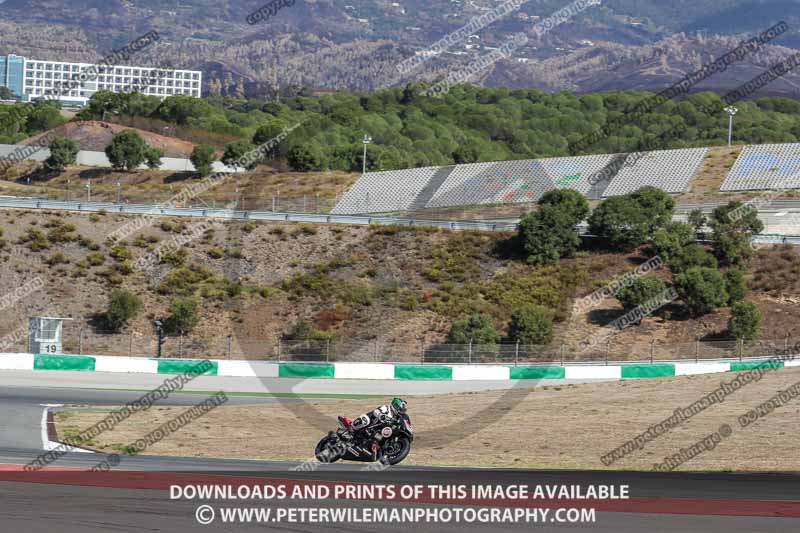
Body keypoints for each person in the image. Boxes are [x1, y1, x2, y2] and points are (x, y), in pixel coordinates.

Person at [338, 398, 408, 460]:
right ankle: (351, 428)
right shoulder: (386, 408)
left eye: (402, 409)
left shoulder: (395, 417)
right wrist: (383, 416)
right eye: (400, 408)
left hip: (375, 431)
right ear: (395, 406)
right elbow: (376, 412)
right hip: (370, 424)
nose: (401, 411)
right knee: (365, 420)